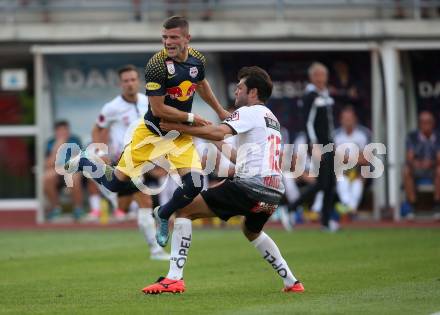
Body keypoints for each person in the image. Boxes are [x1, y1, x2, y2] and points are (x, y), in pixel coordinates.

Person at [66, 16, 229, 246]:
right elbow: (158, 108)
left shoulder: (197, 60)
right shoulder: (156, 65)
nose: (168, 42)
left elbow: (201, 84)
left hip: (179, 135)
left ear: (187, 38)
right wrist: (192, 118)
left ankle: (162, 214)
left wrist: (220, 110)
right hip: (150, 134)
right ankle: (86, 161)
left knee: (194, 185)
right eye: (164, 37)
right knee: (115, 185)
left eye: (173, 37)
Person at [141, 66, 304, 294]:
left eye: (240, 87)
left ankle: (173, 278)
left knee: (185, 209)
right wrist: (205, 128)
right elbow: (236, 156)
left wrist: (180, 128)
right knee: (251, 231)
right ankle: (292, 282)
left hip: (251, 185)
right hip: (274, 191)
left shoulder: (249, 111)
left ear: (253, 92)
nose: (236, 91)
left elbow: (219, 132)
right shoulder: (270, 119)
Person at [89, 64, 169, 260]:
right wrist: (100, 151)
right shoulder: (111, 108)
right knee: (144, 199)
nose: (130, 84)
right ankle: (156, 251)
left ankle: (113, 197)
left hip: (146, 159)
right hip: (124, 160)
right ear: (120, 84)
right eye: (126, 81)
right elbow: (97, 128)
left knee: (125, 206)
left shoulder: (148, 101)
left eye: (133, 80)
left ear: (138, 81)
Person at [286, 62, 337, 231]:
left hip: (329, 144)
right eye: (319, 76)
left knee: (331, 184)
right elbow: (307, 123)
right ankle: (291, 208)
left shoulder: (325, 95)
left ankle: (326, 221)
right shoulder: (310, 96)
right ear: (313, 77)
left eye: (324, 76)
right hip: (318, 145)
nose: (322, 79)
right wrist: (313, 145)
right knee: (322, 183)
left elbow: (328, 123)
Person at [334, 106, 371, 216]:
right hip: (342, 170)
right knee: (340, 177)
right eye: (345, 119)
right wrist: (355, 157)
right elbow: (335, 158)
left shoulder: (363, 134)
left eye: (349, 119)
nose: (347, 122)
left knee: (359, 178)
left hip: (360, 171)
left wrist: (347, 158)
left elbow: (365, 159)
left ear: (355, 119)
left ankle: (350, 208)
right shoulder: (336, 135)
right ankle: (348, 206)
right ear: (341, 120)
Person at [402, 111, 440, 217]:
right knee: (406, 170)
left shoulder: (438, 137)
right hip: (417, 168)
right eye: (423, 122)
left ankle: (437, 205)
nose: (426, 125)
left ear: (433, 123)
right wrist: (417, 163)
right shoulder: (412, 137)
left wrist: (431, 163)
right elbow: (409, 157)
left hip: (433, 168)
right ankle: (412, 205)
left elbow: (439, 158)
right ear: (419, 124)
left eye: (428, 122)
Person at [44, 120, 83, 221]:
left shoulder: (75, 140)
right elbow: (48, 165)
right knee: (46, 177)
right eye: (60, 131)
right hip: (56, 170)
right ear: (55, 132)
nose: (63, 133)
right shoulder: (50, 142)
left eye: (65, 130)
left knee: (74, 177)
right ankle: (56, 208)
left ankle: (78, 208)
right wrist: (56, 148)